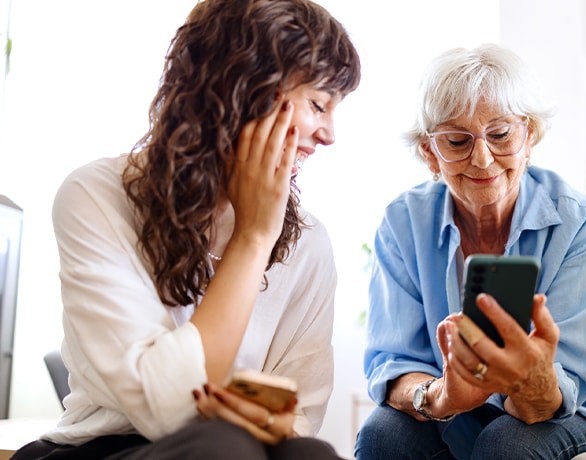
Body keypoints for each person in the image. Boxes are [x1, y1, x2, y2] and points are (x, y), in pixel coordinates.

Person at [12, 0, 360, 458]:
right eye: (318, 104)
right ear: (245, 89)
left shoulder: (309, 242)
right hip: (107, 447)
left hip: (243, 446)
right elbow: (165, 410)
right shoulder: (96, 195)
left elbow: (301, 415)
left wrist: (276, 422)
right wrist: (253, 238)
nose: (330, 134)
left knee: (309, 455)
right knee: (222, 447)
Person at [354, 44, 586, 460]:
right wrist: (440, 396)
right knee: (382, 435)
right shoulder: (403, 222)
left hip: (577, 408)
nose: (482, 158)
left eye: (500, 134)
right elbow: (393, 361)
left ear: (529, 135)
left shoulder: (580, 222)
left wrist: (525, 381)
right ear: (430, 153)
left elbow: (552, 397)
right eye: (457, 141)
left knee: (505, 443)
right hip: (459, 411)